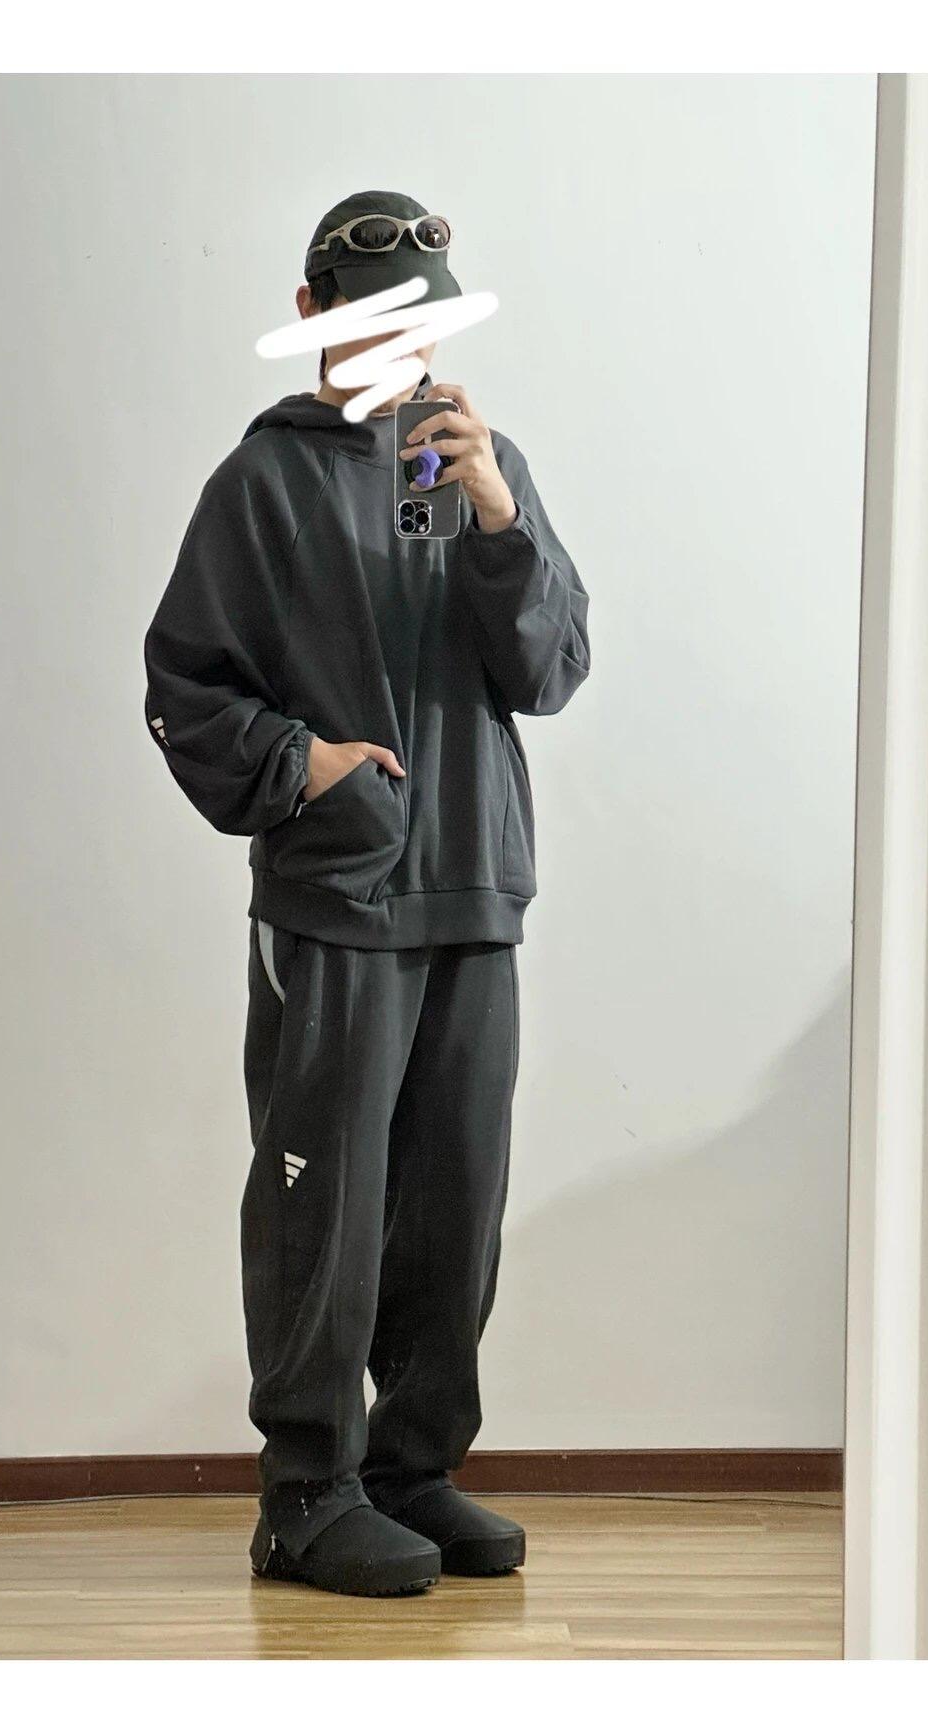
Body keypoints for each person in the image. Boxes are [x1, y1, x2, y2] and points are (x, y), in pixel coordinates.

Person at [143, 191, 589, 1597]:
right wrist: (305, 766)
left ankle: (410, 1471)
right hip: (338, 895)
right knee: (322, 1207)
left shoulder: (480, 464)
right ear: (314, 314)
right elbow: (184, 686)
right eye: (379, 314)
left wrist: (500, 518)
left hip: (473, 891)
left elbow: (552, 669)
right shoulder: (261, 484)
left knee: (455, 1207)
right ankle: (305, 1495)